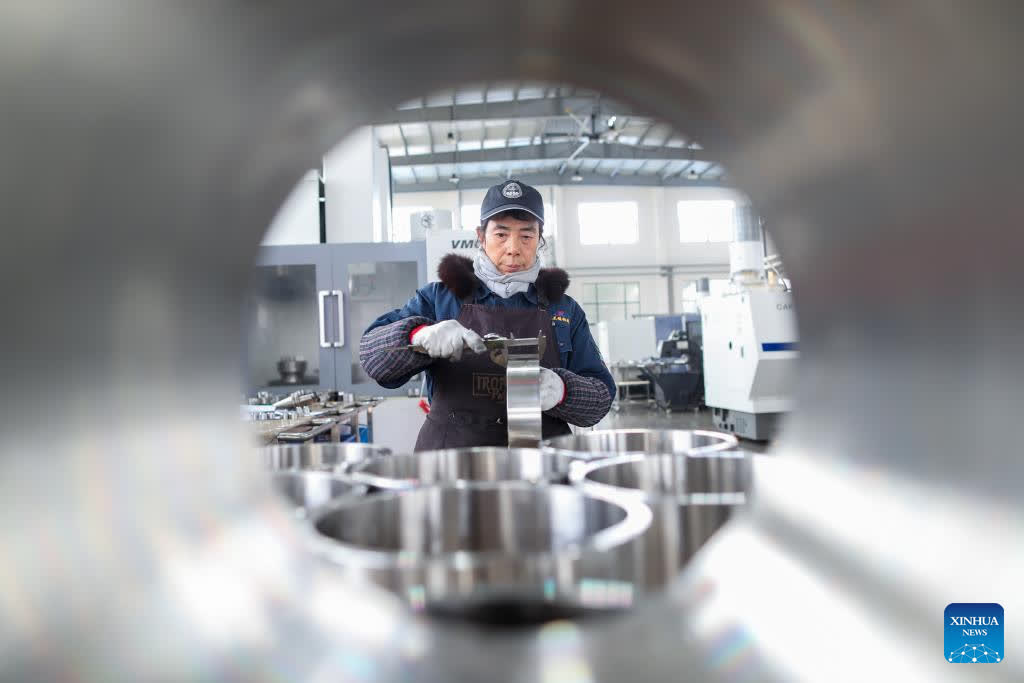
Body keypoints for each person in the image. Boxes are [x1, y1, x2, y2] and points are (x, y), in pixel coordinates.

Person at [359, 179, 615, 450]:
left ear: (540, 239)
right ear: (481, 236)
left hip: (540, 466)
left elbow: (600, 399)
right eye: (501, 234)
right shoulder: (438, 299)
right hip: (452, 466)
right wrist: (419, 336)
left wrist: (563, 391)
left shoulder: (564, 310)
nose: (514, 248)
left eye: (526, 236)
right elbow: (371, 357)